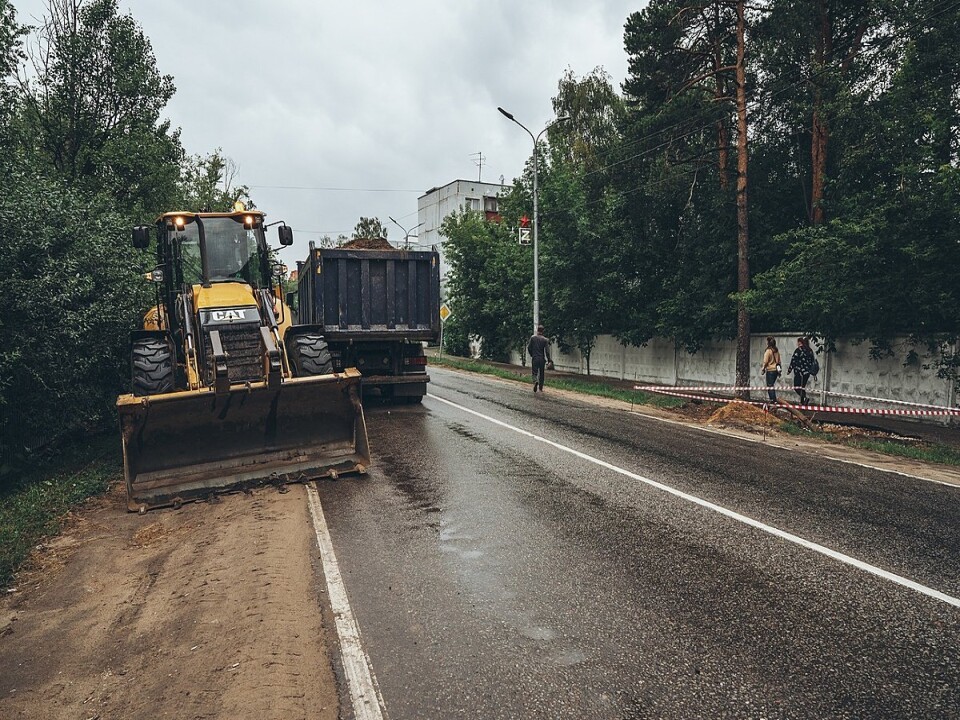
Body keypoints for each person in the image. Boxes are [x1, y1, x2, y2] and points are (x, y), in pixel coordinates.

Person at [786, 336, 816, 404]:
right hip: (807, 373)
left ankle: (805, 398)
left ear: (801, 342)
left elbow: (793, 360)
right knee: (802, 387)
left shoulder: (798, 350)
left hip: (799, 372)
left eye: (798, 342)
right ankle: (803, 402)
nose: (797, 343)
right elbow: (812, 361)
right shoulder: (810, 350)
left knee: (796, 387)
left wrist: (789, 370)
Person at [527, 325, 552, 392]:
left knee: (534, 372)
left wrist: (532, 354)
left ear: (537, 330)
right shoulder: (545, 340)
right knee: (542, 373)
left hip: (535, 357)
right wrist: (549, 360)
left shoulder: (533, 338)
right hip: (542, 358)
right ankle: (540, 388)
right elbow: (547, 351)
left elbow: (529, 348)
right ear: (543, 331)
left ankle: (535, 381)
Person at [760, 336, 781, 402]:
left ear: (768, 342)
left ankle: (773, 400)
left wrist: (763, 368)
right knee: (772, 385)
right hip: (776, 370)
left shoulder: (768, 351)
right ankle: (773, 400)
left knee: (770, 386)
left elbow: (765, 361)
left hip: (770, 370)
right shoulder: (776, 351)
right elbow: (779, 361)